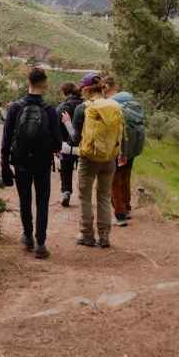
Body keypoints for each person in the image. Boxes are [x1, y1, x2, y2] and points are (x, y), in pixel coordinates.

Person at [0, 67, 62, 259]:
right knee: (42, 202)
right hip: (43, 163)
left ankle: (28, 237)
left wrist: (4, 163)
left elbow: (6, 138)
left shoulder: (15, 108)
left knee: (25, 200)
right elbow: (58, 143)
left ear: (28, 82)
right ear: (44, 84)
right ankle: (41, 244)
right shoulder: (50, 110)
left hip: (21, 162)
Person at [62, 73, 126, 248]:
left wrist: (67, 123)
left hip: (89, 158)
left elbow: (75, 139)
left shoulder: (83, 108)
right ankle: (104, 236)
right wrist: (122, 153)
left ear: (86, 89)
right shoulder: (114, 106)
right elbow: (122, 132)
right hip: (109, 158)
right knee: (104, 197)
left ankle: (87, 235)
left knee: (84, 196)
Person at [102, 78, 145, 222]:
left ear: (104, 91)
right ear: (117, 87)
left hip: (118, 148)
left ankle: (119, 213)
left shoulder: (111, 106)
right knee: (126, 177)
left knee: (114, 181)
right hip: (132, 146)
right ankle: (127, 206)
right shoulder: (131, 103)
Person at [55, 82, 84, 207]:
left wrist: (55, 147)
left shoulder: (61, 108)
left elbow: (55, 129)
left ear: (64, 92)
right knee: (83, 170)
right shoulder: (85, 106)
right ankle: (84, 195)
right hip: (83, 145)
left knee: (65, 169)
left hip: (65, 146)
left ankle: (66, 192)